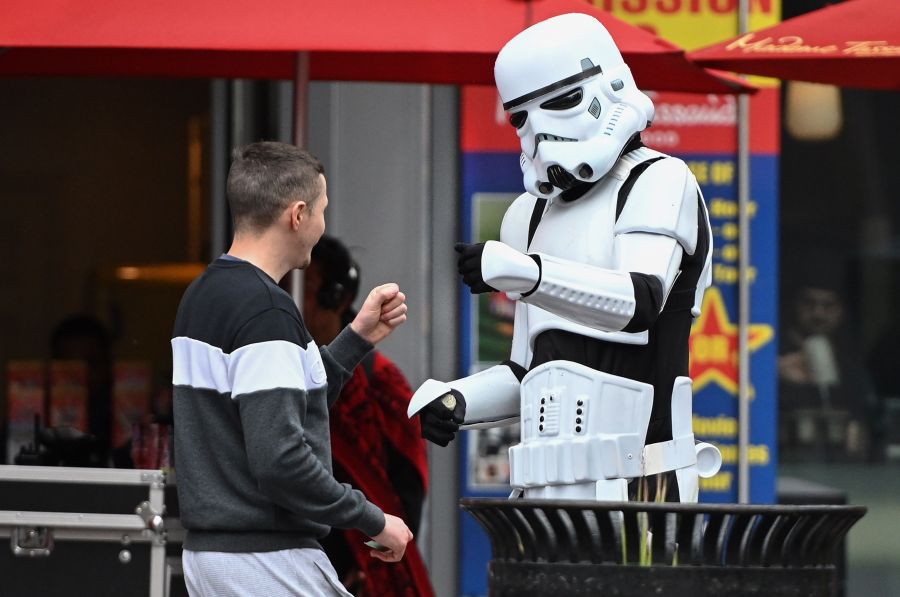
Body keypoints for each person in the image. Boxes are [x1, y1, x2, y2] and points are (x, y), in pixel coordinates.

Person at [408, 13, 720, 503]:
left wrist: (530, 275)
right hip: (541, 488)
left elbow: (640, 303)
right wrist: (458, 401)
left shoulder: (658, 180)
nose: (539, 132)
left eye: (561, 102)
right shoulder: (527, 216)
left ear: (611, 86)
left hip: (642, 483)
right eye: (520, 117)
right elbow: (525, 371)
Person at [171, 142, 412, 597]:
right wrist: (374, 519)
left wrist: (355, 338)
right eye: (322, 210)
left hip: (211, 559)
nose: (323, 226)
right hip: (267, 562)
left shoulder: (202, 295)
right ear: (297, 214)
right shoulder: (266, 311)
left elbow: (276, 408)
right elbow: (280, 460)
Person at [305, 235, 434, 597]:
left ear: (336, 297)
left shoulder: (382, 384)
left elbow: (406, 492)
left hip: (366, 570)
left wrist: (374, 563)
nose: (293, 296)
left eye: (305, 285)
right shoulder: (285, 368)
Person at [778, 277, 873, 461]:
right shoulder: (772, 353)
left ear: (841, 311)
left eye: (828, 306)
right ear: (795, 306)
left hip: (843, 462)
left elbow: (865, 410)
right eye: (809, 304)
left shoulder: (850, 359)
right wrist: (775, 375)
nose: (818, 314)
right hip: (789, 460)